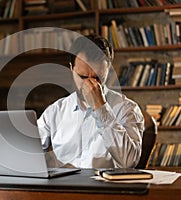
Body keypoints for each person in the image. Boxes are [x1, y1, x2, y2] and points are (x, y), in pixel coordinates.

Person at [37, 35, 144, 169]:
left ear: (108, 69)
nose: (90, 84)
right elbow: (24, 149)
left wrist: (101, 108)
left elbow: (129, 162)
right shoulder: (55, 111)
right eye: (82, 76)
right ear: (71, 68)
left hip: (106, 188)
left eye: (97, 77)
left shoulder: (127, 109)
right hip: (64, 188)